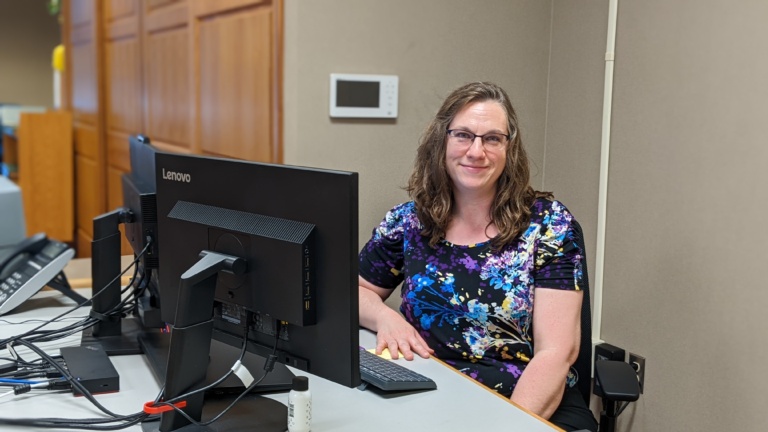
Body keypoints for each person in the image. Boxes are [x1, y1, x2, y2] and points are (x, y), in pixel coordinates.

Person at [358, 82, 598, 431]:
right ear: (441, 141)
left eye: (492, 139)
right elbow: (355, 291)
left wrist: (509, 424)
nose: (476, 151)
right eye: (463, 135)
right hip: (429, 390)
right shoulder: (410, 221)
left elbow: (556, 353)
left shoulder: (548, 226)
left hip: (526, 401)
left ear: (509, 149)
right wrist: (384, 317)